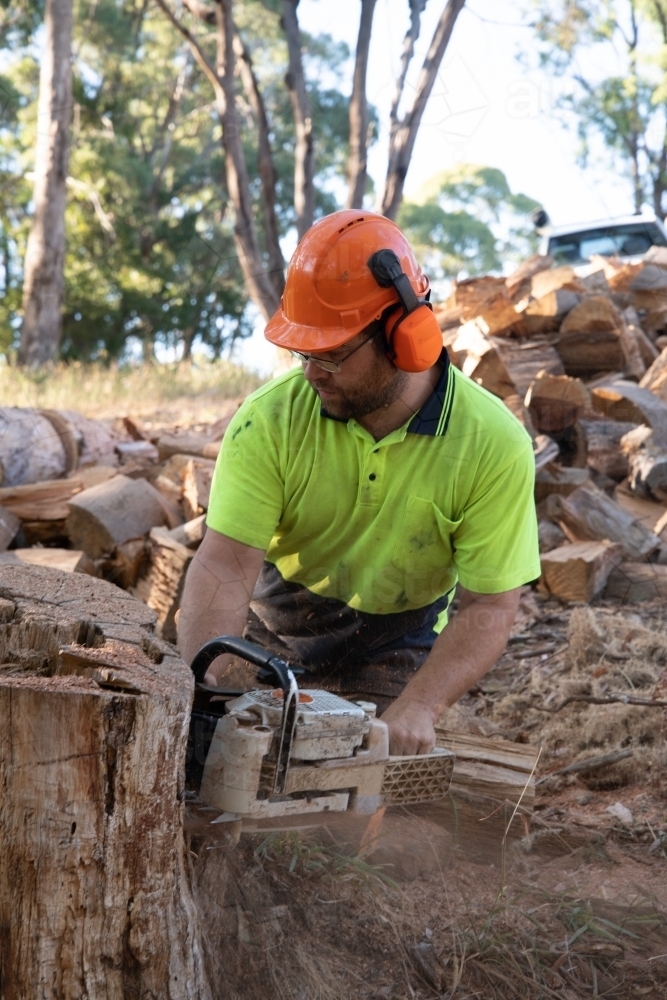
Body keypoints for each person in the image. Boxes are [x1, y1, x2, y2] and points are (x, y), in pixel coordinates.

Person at [178, 210, 540, 756]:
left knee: (350, 809)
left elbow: (490, 607)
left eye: (332, 355)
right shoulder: (268, 421)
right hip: (274, 624)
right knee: (217, 766)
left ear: (404, 335)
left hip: (393, 641)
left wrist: (420, 706)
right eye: (304, 353)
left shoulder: (492, 444)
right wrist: (208, 688)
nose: (311, 373)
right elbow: (226, 563)